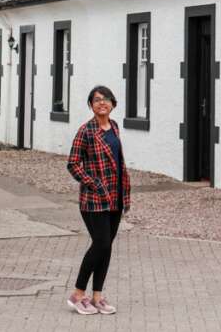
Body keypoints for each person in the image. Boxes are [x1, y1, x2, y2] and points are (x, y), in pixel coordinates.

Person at [65, 85, 132, 315]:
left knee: (106, 248)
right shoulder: (86, 131)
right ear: (91, 105)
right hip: (94, 199)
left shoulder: (114, 127)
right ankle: (77, 294)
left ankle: (97, 296)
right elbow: (73, 164)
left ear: (113, 103)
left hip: (116, 196)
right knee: (101, 244)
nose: (101, 103)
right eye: (96, 100)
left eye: (106, 99)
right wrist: (94, 182)